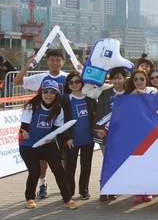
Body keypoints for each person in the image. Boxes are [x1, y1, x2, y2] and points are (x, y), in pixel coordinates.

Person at [14, 49, 69, 199]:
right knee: (42, 159)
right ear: (47, 61)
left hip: (63, 121)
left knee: (63, 157)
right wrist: (28, 65)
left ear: (63, 62)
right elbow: (17, 81)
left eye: (58, 60)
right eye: (52, 60)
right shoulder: (41, 77)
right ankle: (42, 184)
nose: (55, 63)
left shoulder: (68, 77)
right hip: (44, 122)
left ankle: (66, 186)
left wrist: (82, 71)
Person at [18, 79, 77, 209]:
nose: (49, 95)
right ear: (41, 92)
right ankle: (29, 198)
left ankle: (67, 198)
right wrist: (24, 133)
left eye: (52, 92)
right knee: (35, 171)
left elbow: (56, 129)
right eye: (46, 91)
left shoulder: (58, 109)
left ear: (57, 94)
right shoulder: (32, 106)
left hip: (47, 144)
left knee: (58, 170)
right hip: (29, 145)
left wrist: (52, 137)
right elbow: (24, 127)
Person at [60, 71, 97, 201]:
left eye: (77, 81)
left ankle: (84, 191)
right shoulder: (65, 99)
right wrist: (67, 137)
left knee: (86, 166)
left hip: (88, 138)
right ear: (67, 85)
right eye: (71, 82)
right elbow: (62, 120)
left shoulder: (89, 97)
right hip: (72, 140)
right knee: (70, 167)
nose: (74, 84)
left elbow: (96, 114)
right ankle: (69, 192)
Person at [95, 67, 127, 201]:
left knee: (116, 162)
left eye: (119, 78)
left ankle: (112, 188)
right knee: (107, 161)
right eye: (114, 78)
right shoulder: (105, 93)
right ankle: (103, 189)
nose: (117, 81)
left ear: (124, 78)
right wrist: (101, 129)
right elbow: (100, 112)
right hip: (106, 133)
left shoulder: (129, 93)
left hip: (123, 134)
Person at [125, 69, 157, 203]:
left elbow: (156, 106)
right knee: (136, 162)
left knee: (149, 163)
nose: (139, 82)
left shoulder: (152, 91)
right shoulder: (128, 95)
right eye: (136, 79)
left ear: (146, 80)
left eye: (142, 79)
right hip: (135, 133)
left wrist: (144, 96)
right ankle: (137, 191)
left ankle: (148, 189)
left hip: (150, 132)